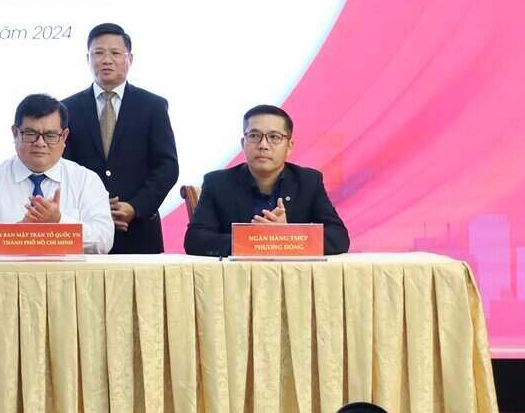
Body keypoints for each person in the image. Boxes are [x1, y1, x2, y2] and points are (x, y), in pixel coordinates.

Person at [62, 23, 179, 254]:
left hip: (137, 230)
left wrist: (135, 207)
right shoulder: (67, 108)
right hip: (85, 232)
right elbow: (64, 168)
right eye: (98, 53)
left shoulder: (153, 106)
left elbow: (167, 167)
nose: (107, 60)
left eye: (115, 53)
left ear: (130, 58)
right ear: (88, 58)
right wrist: (95, 210)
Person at [0, 94, 114, 255]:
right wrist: (18, 234)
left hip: (67, 277)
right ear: (15, 133)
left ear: (64, 137)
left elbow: (103, 240)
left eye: (50, 136)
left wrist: (59, 222)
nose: (40, 143)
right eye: (30, 134)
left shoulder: (86, 180)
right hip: (6, 276)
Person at [183, 104, 350, 257]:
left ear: (289, 146)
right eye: (254, 135)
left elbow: (338, 237)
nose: (263, 145)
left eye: (274, 137)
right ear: (243, 143)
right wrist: (255, 240)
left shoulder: (308, 181)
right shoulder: (218, 183)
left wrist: (287, 236)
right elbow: (195, 240)